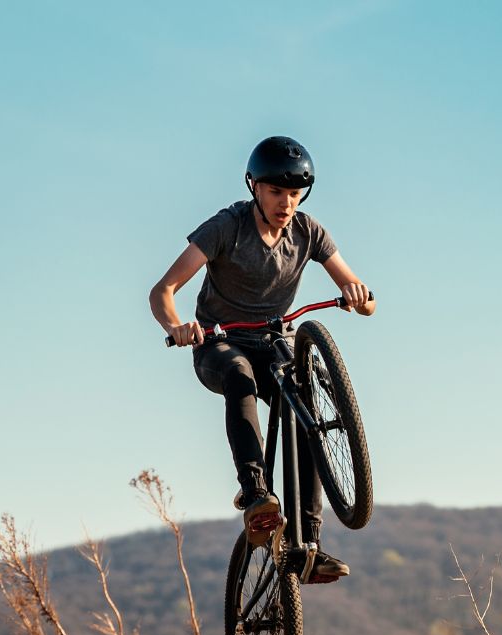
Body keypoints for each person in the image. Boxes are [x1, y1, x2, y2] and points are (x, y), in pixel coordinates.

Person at [149, 136, 375, 581]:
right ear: (253, 186)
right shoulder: (226, 227)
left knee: (305, 413)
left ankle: (308, 545)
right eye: (276, 192)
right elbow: (163, 291)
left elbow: (365, 299)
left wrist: (358, 295)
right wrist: (176, 325)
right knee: (239, 377)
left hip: (275, 344)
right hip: (220, 342)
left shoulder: (309, 232)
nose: (285, 203)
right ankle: (256, 496)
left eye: (294, 194)